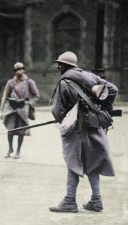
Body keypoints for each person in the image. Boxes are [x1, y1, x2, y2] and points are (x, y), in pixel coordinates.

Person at [49, 51, 118, 213]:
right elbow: (113, 89)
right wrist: (103, 110)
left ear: (66, 65)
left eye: (60, 64)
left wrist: (65, 119)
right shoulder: (91, 77)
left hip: (76, 129)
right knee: (92, 161)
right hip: (94, 125)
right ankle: (96, 200)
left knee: (73, 161)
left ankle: (69, 201)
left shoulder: (64, 82)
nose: (58, 66)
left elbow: (57, 110)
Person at [0, 62, 40, 159]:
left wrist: (29, 103)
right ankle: (10, 149)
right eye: (17, 69)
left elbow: (36, 96)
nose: (19, 71)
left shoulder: (29, 82)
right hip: (11, 108)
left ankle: (18, 150)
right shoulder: (10, 82)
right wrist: (1, 111)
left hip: (23, 108)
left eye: (21, 69)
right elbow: (5, 96)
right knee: (10, 130)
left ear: (24, 70)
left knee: (21, 131)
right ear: (14, 71)